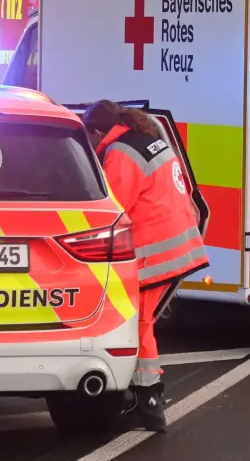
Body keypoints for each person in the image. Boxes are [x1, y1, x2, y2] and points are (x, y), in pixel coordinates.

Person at [83, 101, 211, 432]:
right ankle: (145, 399)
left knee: (139, 323)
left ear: (98, 131)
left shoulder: (120, 153)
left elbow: (112, 209)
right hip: (176, 245)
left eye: (89, 138)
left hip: (156, 253)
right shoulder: (144, 139)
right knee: (142, 321)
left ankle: (149, 402)